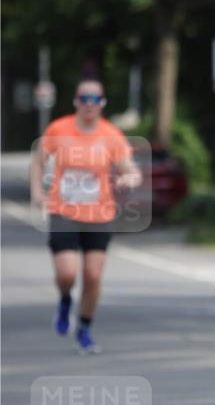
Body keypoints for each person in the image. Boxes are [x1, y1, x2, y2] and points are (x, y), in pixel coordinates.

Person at [30, 78, 142, 354]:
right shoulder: (59, 128)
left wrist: (130, 179)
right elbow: (38, 160)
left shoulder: (111, 134)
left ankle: (84, 328)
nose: (89, 104)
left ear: (102, 103)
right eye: (84, 99)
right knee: (67, 274)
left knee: (92, 276)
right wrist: (37, 192)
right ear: (76, 102)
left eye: (95, 100)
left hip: (99, 213)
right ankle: (66, 298)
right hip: (63, 211)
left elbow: (131, 169)